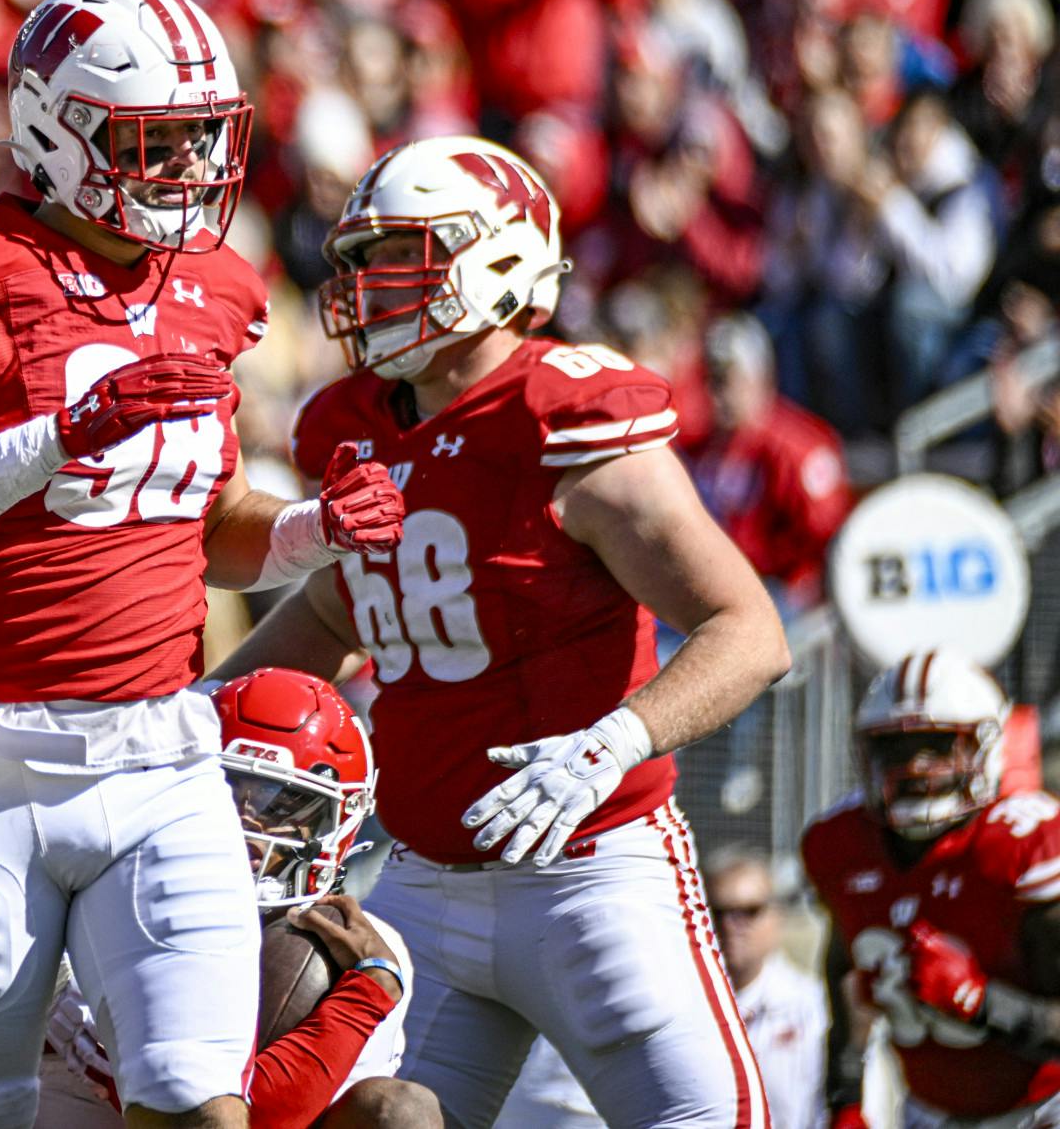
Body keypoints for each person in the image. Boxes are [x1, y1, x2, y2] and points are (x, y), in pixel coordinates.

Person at [0, 0, 408, 1129]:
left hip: (160, 753)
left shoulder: (211, 289)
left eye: (202, 138)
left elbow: (206, 529)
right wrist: (53, 439)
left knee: (198, 1103)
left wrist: (310, 531)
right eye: (155, 140)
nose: (189, 169)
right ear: (56, 127)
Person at [217, 134, 792, 1128]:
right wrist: (185, 724)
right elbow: (332, 608)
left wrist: (611, 741)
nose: (369, 285)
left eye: (402, 255)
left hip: (590, 874)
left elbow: (746, 629)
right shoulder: (353, 423)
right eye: (361, 260)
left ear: (497, 258)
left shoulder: (561, 417)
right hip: (421, 886)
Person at [38, 668, 442, 1129]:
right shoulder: (103, 904)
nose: (245, 823)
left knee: (400, 1111)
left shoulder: (364, 945)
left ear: (340, 820)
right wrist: (367, 995)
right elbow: (221, 1120)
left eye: (281, 803)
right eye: (225, 788)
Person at [802, 650, 1060, 1128]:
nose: (915, 768)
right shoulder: (841, 844)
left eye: (938, 746)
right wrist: (847, 1101)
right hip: (928, 1110)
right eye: (894, 750)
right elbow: (847, 978)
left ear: (985, 747)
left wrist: (980, 1002)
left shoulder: (1024, 844)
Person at [689, 315, 850, 611]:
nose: (715, 395)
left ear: (758, 379)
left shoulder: (798, 447)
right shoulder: (701, 446)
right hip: (716, 589)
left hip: (781, 596)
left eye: (725, 381)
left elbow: (825, 538)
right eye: (710, 380)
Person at [703, 849, 827, 1129]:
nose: (731, 926)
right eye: (718, 912)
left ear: (776, 916)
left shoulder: (811, 1004)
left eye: (749, 912)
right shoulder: (683, 1005)